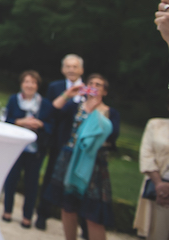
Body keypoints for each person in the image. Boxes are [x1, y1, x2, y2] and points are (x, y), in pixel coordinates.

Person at [44, 73, 120, 240]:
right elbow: (52, 112)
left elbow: (112, 135)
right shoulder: (76, 106)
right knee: (68, 206)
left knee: (93, 213)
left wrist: (94, 112)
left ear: (105, 91)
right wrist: (69, 94)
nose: (94, 86)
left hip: (94, 164)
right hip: (69, 158)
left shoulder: (109, 113)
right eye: (91, 83)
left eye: (98, 84)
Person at [35, 53, 85, 230]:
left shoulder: (88, 90)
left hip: (80, 144)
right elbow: (49, 113)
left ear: (81, 70)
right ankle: (42, 214)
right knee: (50, 177)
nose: (71, 70)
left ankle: (83, 224)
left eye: (75, 66)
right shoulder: (55, 87)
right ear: (63, 69)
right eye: (68, 66)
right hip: (59, 140)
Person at [1, 70, 53, 228]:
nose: (29, 85)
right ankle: (7, 210)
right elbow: (6, 119)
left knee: (32, 183)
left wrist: (40, 124)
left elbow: (51, 125)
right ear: (21, 83)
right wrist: (20, 121)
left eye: (33, 82)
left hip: (35, 150)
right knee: (11, 179)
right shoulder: (13, 100)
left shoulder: (44, 104)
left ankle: (27, 216)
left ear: (37, 85)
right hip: (16, 147)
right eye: (26, 82)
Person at [134, 112, 169, 239]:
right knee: (156, 233)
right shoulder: (155, 125)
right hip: (158, 189)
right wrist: (159, 185)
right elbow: (146, 156)